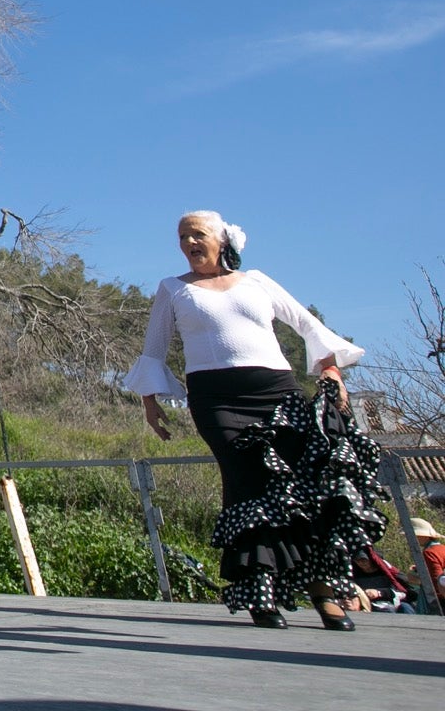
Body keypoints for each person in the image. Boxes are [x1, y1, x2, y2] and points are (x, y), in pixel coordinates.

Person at [124, 210, 384, 630]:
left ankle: (323, 590)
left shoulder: (258, 282)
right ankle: (260, 591)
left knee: (302, 485)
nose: (189, 242)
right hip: (217, 400)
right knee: (249, 482)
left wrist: (331, 369)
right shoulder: (172, 289)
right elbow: (154, 349)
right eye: (182, 237)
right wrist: (149, 403)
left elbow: (305, 323)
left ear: (222, 239)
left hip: (278, 393)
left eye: (198, 234)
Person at [413, 519, 445, 605]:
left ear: (425, 536)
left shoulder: (429, 552)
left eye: (417, 536)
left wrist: (416, 579)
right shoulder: (443, 548)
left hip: (439, 598)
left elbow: (436, 579)